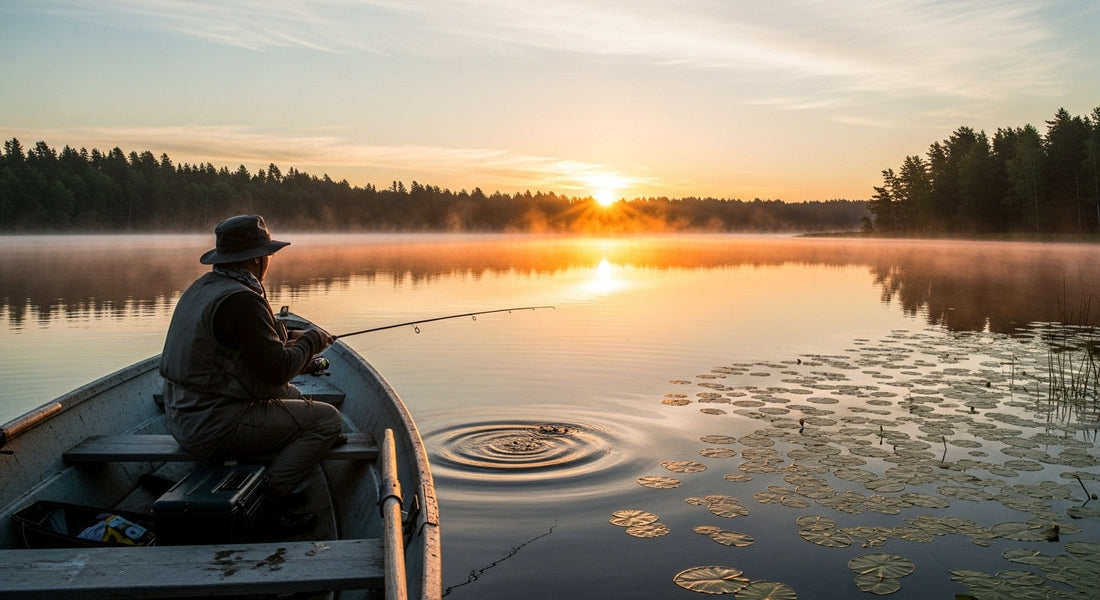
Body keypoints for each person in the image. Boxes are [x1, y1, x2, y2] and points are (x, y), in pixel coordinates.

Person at [159, 214, 342, 534]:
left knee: (293, 396)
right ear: (258, 259)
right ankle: (263, 502)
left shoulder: (204, 287)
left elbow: (239, 353)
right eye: (268, 255)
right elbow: (278, 372)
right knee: (326, 421)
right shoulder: (243, 299)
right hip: (210, 424)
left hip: (180, 413)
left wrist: (284, 338)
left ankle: (256, 477)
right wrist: (312, 340)